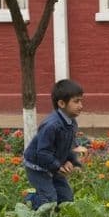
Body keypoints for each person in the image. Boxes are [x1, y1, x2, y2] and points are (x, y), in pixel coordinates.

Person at [23, 78, 85, 208]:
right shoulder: (51, 126)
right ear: (62, 103)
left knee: (66, 198)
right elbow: (42, 153)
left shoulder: (71, 122)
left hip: (52, 164)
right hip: (37, 167)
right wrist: (58, 166)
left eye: (81, 101)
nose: (81, 105)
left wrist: (71, 161)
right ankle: (31, 201)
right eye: (76, 101)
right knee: (49, 200)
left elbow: (69, 146)